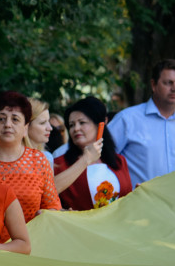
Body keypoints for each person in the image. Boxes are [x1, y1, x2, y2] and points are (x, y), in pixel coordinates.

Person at [0, 91, 61, 235]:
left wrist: (47, 214)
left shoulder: (38, 161)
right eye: (1, 119)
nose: (8, 124)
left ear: (25, 128)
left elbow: (53, 206)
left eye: (15, 119)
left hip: (32, 242)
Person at [54, 97, 132, 210]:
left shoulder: (119, 161)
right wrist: (86, 159)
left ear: (101, 125)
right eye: (71, 125)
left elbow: (126, 198)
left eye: (82, 123)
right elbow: (48, 192)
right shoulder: (58, 164)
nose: (76, 128)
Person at [108, 59, 175, 187]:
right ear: (153, 85)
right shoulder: (127, 119)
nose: (174, 88)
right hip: (138, 198)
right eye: (168, 83)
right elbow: (100, 159)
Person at [27, 98, 54, 168]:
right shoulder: (10, 157)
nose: (50, 128)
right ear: (26, 125)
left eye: (48, 121)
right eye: (42, 123)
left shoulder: (47, 157)